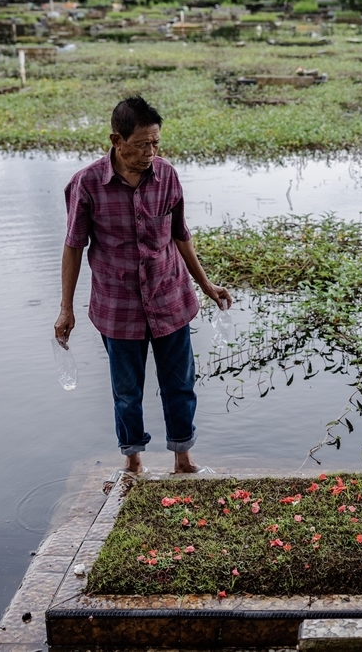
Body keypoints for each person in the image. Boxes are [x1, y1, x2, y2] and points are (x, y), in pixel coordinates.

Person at [54, 96, 231, 475]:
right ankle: (133, 460)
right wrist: (66, 308)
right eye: (141, 144)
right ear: (116, 140)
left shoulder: (167, 175)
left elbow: (181, 235)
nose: (150, 152)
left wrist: (207, 285)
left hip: (171, 299)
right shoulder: (86, 184)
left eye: (156, 143)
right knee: (127, 392)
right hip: (118, 309)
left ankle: (183, 460)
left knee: (180, 385)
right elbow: (73, 246)